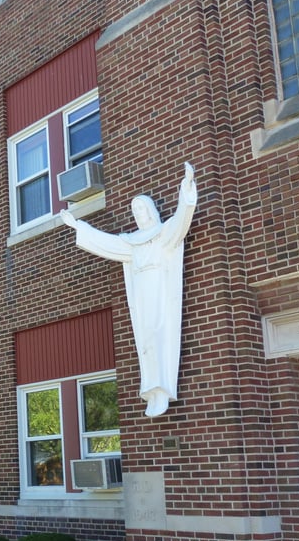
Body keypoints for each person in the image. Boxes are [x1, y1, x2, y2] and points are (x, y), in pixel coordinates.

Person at [61, 162, 197, 417]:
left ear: (150, 210)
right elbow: (106, 243)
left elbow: (181, 220)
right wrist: (78, 226)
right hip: (142, 294)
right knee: (145, 339)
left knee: (160, 333)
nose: (138, 213)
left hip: (160, 290)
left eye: (141, 208)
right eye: (134, 209)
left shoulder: (163, 234)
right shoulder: (131, 243)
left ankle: (163, 388)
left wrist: (186, 187)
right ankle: (151, 388)